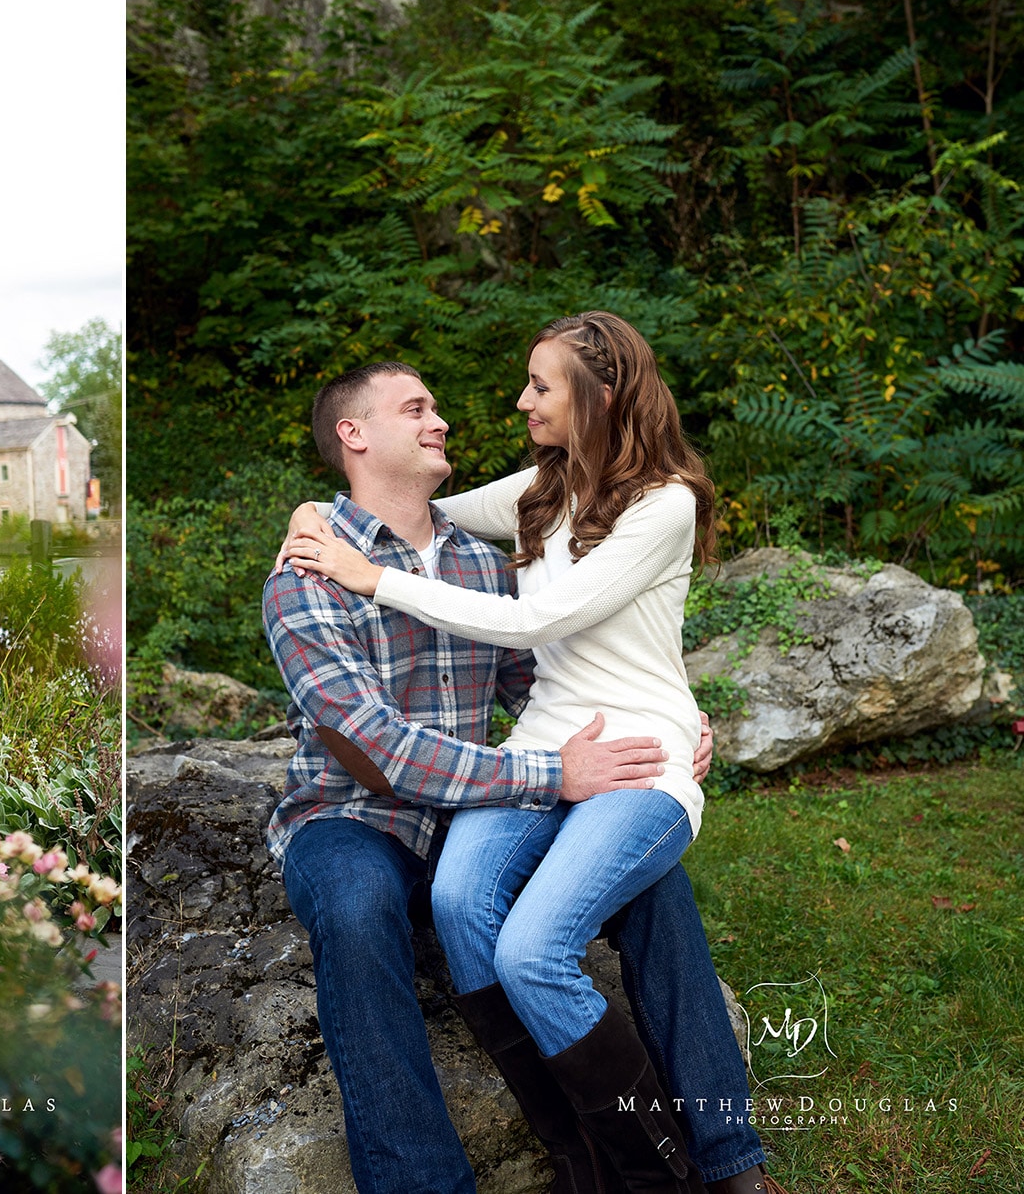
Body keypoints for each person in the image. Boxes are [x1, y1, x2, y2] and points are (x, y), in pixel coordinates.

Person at [264, 354, 778, 1194]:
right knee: (357, 907)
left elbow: (542, 683)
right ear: (353, 434)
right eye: (417, 408)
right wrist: (551, 774)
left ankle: (722, 1159)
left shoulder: (476, 558)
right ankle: (428, 1183)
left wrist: (661, 726)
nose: (443, 421)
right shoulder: (309, 570)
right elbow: (375, 750)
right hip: (357, 815)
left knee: (655, 883)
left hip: (474, 812)